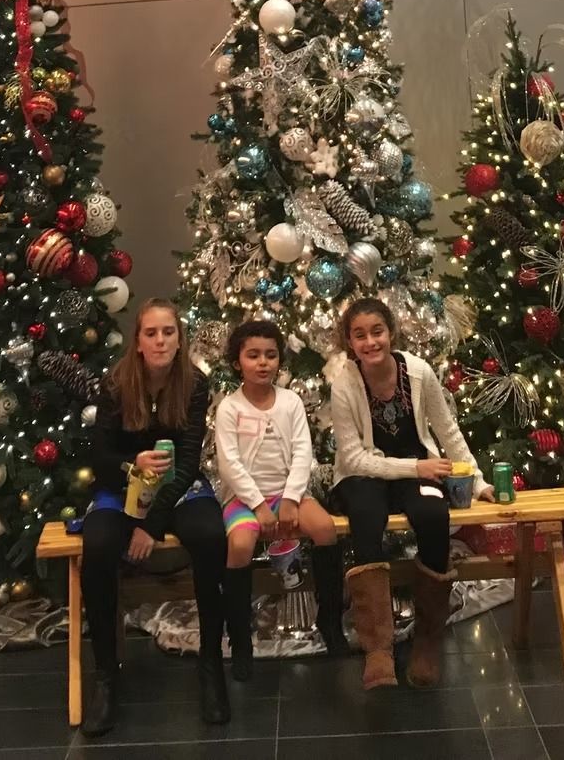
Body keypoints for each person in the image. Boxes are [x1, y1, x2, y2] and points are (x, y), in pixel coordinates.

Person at [76, 299, 229, 737]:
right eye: (151, 333)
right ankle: (107, 675)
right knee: (100, 546)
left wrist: (151, 525)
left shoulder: (195, 385)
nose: (160, 340)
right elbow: (99, 457)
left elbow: (185, 463)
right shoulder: (115, 385)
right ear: (138, 341)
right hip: (121, 484)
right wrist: (132, 465)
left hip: (175, 489)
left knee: (209, 536)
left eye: (168, 332)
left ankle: (210, 669)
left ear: (179, 338)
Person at [329, 297, 493, 691]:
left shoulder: (418, 373)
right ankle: (378, 649)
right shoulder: (344, 383)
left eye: (377, 332)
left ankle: (427, 640)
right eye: (360, 335)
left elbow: (447, 431)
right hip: (363, 475)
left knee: (435, 516)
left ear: (391, 333)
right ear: (349, 342)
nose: (370, 342)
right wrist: (413, 467)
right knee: (367, 518)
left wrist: (479, 480)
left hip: (415, 471)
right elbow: (353, 458)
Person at [215, 320, 350, 681]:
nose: (262, 363)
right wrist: (258, 505)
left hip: (289, 494)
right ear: (237, 361)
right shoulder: (230, 408)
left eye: (270, 355)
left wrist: (290, 499)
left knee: (324, 529)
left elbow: (303, 452)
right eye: (253, 355)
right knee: (240, 545)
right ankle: (241, 641)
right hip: (245, 500)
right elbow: (229, 463)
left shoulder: (290, 402)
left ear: (279, 361)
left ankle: (330, 620)